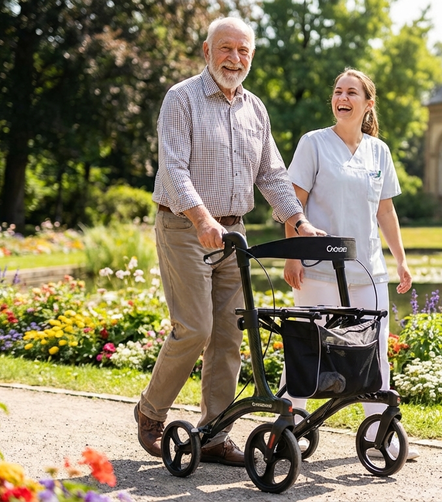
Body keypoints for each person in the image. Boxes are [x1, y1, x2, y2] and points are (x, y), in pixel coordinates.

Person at [136, 16, 324, 467]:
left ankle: (215, 431)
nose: (234, 58)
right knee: (196, 327)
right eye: (226, 49)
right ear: (207, 51)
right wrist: (200, 217)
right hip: (185, 227)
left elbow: (272, 174)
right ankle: (150, 411)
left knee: (229, 334)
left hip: (233, 233)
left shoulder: (255, 109)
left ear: (251, 57)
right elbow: (173, 169)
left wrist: (299, 221)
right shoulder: (181, 99)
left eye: (243, 51)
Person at [281, 68, 419, 460]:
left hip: (368, 272)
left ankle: (382, 436)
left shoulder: (380, 151)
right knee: (308, 350)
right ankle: (288, 427)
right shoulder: (314, 144)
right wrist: (292, 255)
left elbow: (385, 211)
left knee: (375, 354)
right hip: (317, 270)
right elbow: (294, 202)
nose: (342, 97)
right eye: (338, 91)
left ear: (367, 103)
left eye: (351, 92)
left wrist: (401, 261)